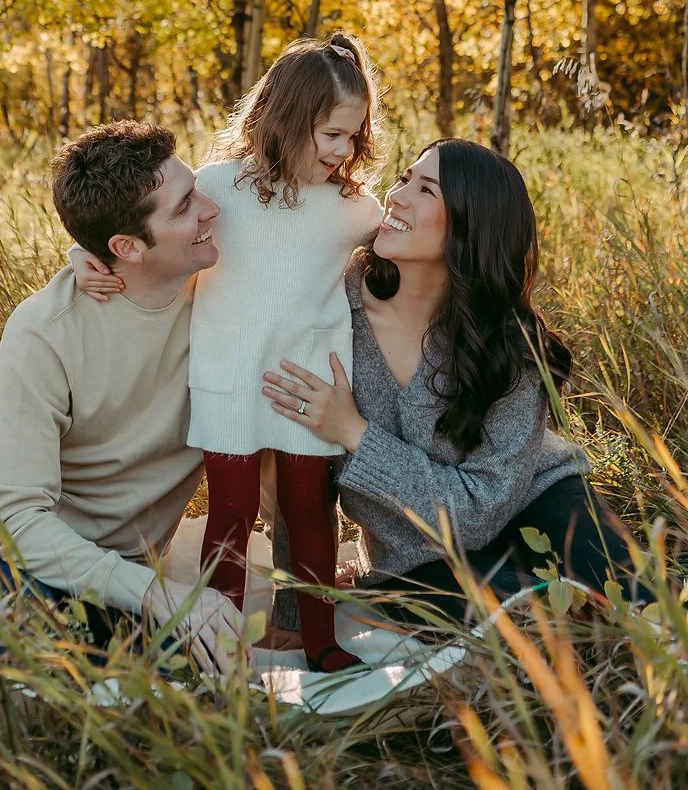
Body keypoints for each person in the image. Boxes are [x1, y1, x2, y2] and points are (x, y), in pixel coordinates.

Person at [74, 34, 384, 671]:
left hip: (309, 382)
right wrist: (84, 256)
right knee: (232, 515)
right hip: (230, 377)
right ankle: (219, 646)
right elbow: (137, 228)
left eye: (353, 137)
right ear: (285, 119)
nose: (342, 151)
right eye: (329, 134)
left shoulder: (355, 209)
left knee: (306, 513)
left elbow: (407, 251)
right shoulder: (218, 188)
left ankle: (321, 640)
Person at [262, 139, 650, 623]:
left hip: (537, 502)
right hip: (419, 557)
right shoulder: (331, 311)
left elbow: (481, 509)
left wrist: (353, 432)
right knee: (512, 616)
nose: (397, 196)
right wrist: (294, 616)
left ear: (471, 226)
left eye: (426, 190)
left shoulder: (506, 341)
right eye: (404, 178)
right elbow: (298, 485)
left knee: (642, 600)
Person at [0, 120, 247, 672]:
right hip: (36, 567)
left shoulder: (226, 292)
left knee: (200, 690)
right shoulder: (46, 331)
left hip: (133, 576)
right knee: (18, 693)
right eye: (186, 205)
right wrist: (157, 593)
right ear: (125, 246)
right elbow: (13, 522)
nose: (213, 209)